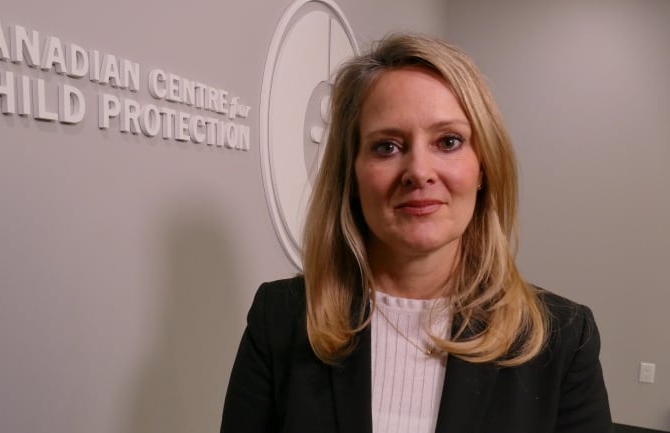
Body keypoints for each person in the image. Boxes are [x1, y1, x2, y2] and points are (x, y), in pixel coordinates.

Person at [221, 33, 612, 433]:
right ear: (351, 176)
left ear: (484, 167)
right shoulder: (281, 320)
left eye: (448, 141)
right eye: (387, 147)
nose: (419, 171)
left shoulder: (562, 339)